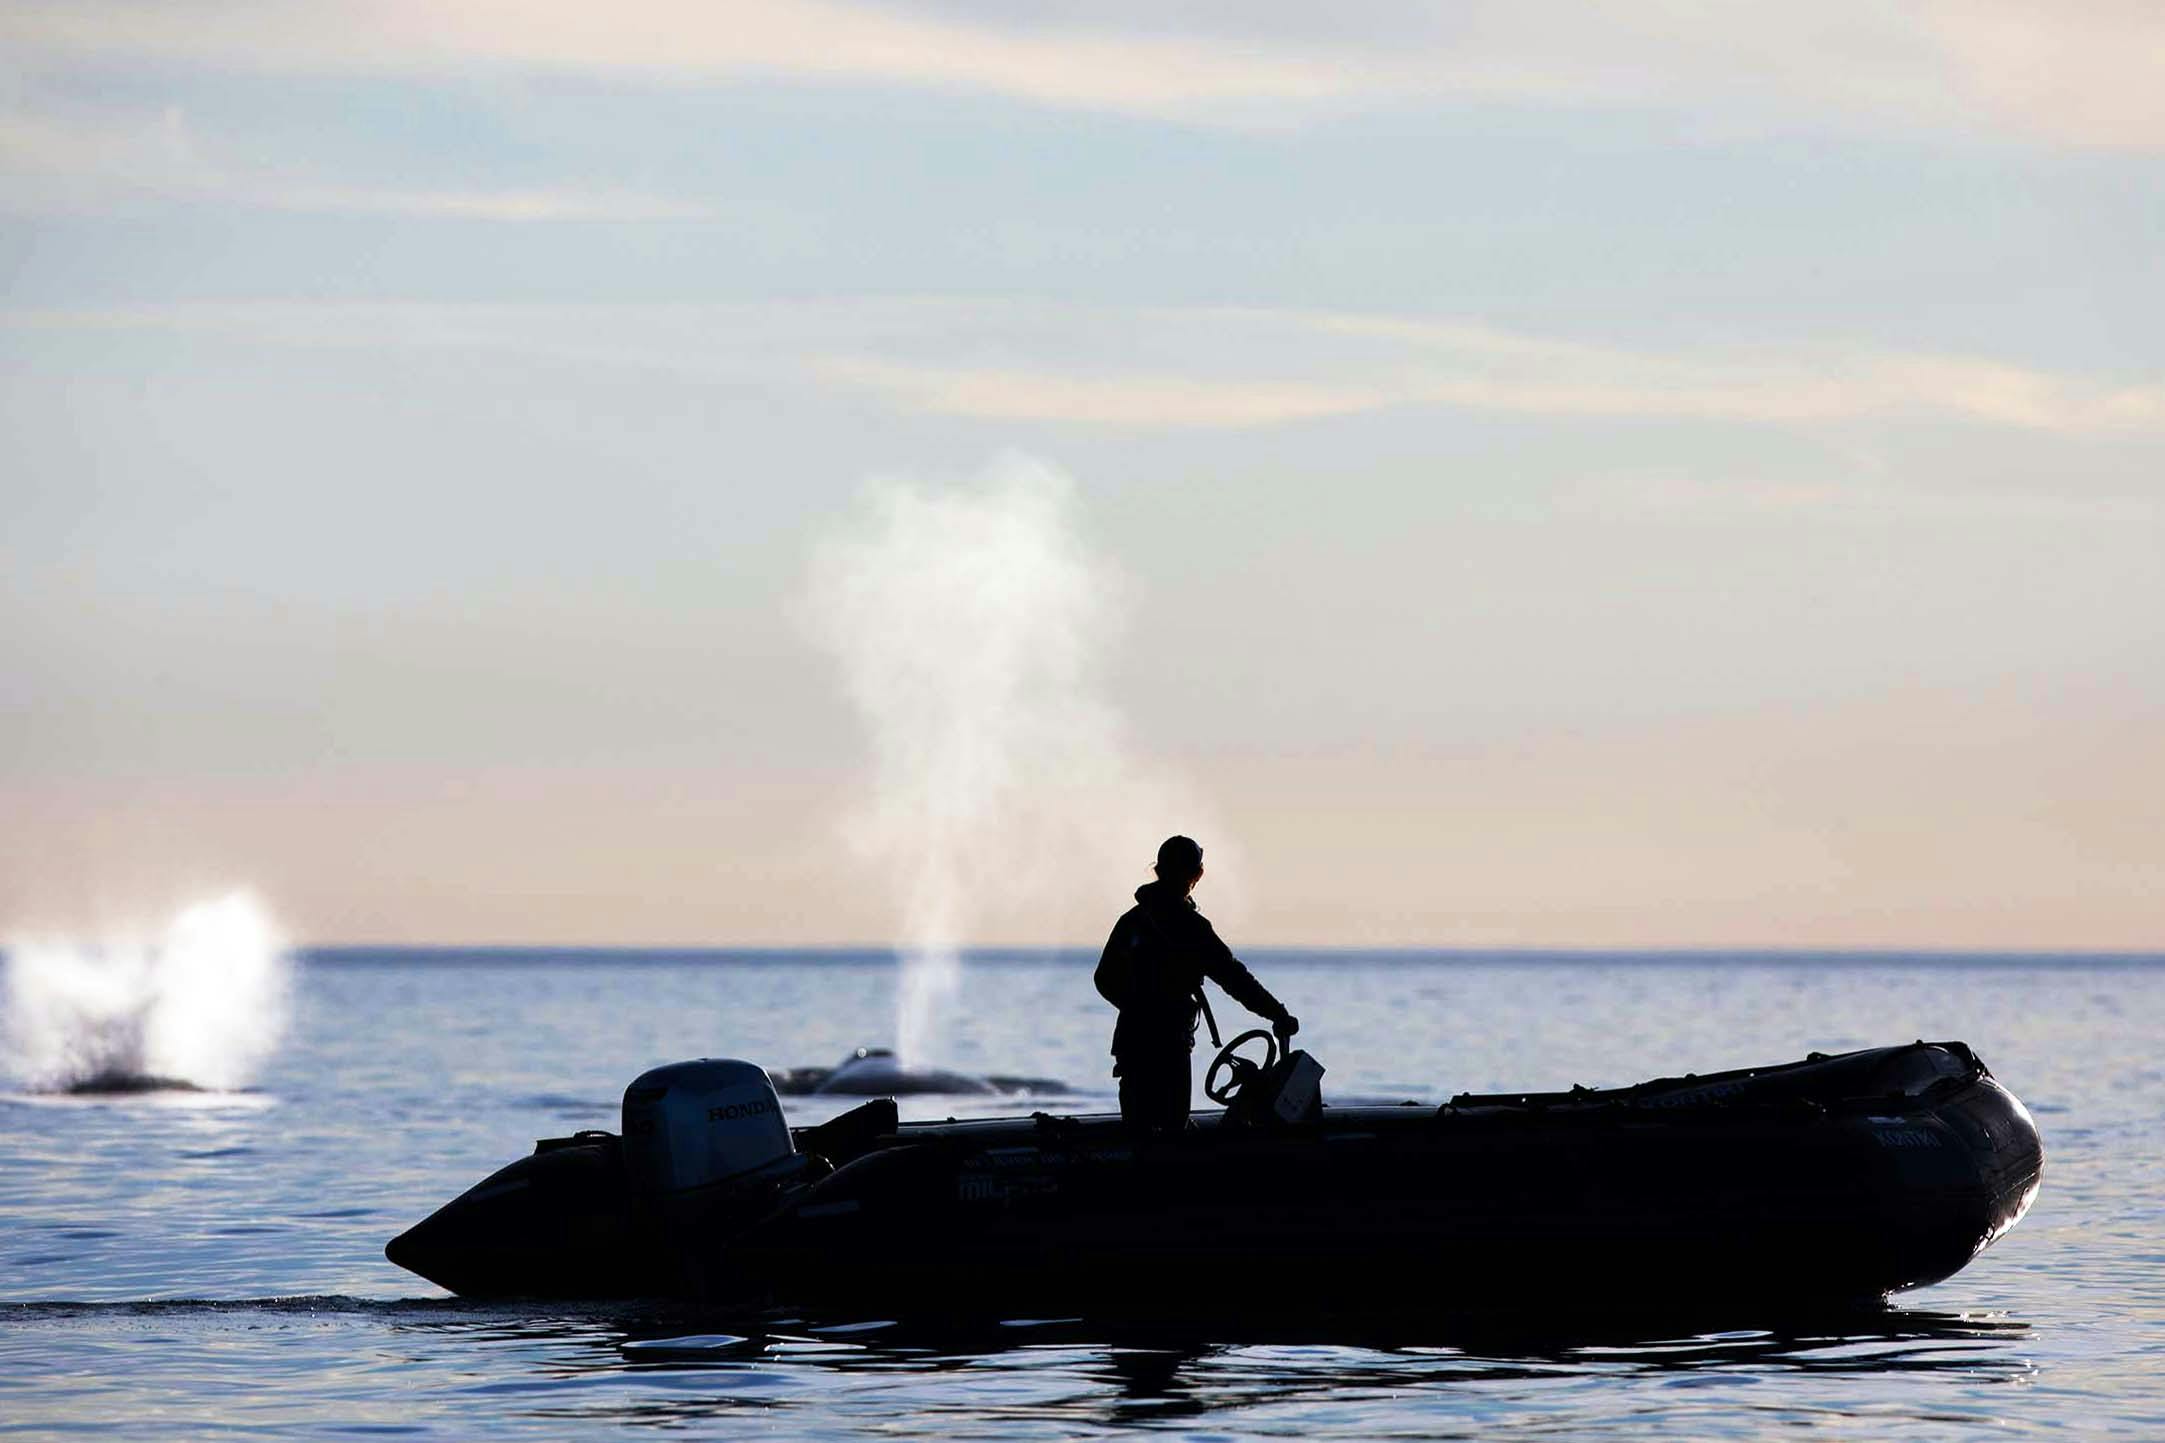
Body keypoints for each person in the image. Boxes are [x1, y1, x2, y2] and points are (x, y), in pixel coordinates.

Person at [1094, 835, 1298, 1136]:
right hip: (1169, 1045)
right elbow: (1234, 979)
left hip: (1132, 1043)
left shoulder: (1132, 920)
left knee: (1137, 1133)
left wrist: (1138, 1008)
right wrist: (1278, 1014)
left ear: (1158, 870)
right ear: (1197, 874)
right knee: (1173, 1132)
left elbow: (1103, 979)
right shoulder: (1190, 927)